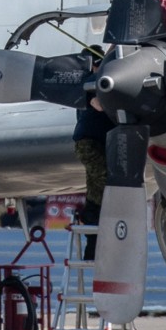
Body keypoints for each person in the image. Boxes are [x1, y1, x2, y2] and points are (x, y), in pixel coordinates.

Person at [70, 100, 111, 259]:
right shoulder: (95, 91)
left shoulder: (88, 93)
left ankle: (93, 248)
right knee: (109, 186)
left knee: (97, 192)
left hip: (93, 142)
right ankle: (95, 245)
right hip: (91, 143)